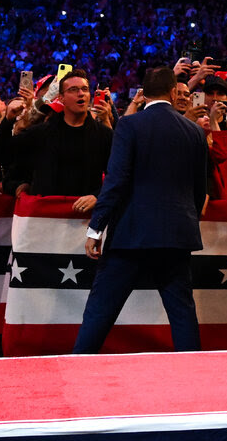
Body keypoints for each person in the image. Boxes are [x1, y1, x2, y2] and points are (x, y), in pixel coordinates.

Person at [73, 66, 207, 353]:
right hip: (176, 236)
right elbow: (199, 192)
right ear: (173, 92)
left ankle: (78, 367)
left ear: (142, 94)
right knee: (182, 314)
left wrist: (96, 228)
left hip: (130, 236)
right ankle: (196, 377)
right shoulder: (195, 132)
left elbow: (116, 181)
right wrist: (184, 221)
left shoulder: (130, 125)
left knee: (100, 311)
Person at [4, 70, 113, 212]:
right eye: (73, 90)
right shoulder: (41, 134)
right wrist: (18, 186)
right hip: (46, 220)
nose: (80, 93)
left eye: (84, 89)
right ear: (61, 98)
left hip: (85, 221)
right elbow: (4, 157)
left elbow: (117, 176)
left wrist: (97, 196)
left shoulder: (104, 135)